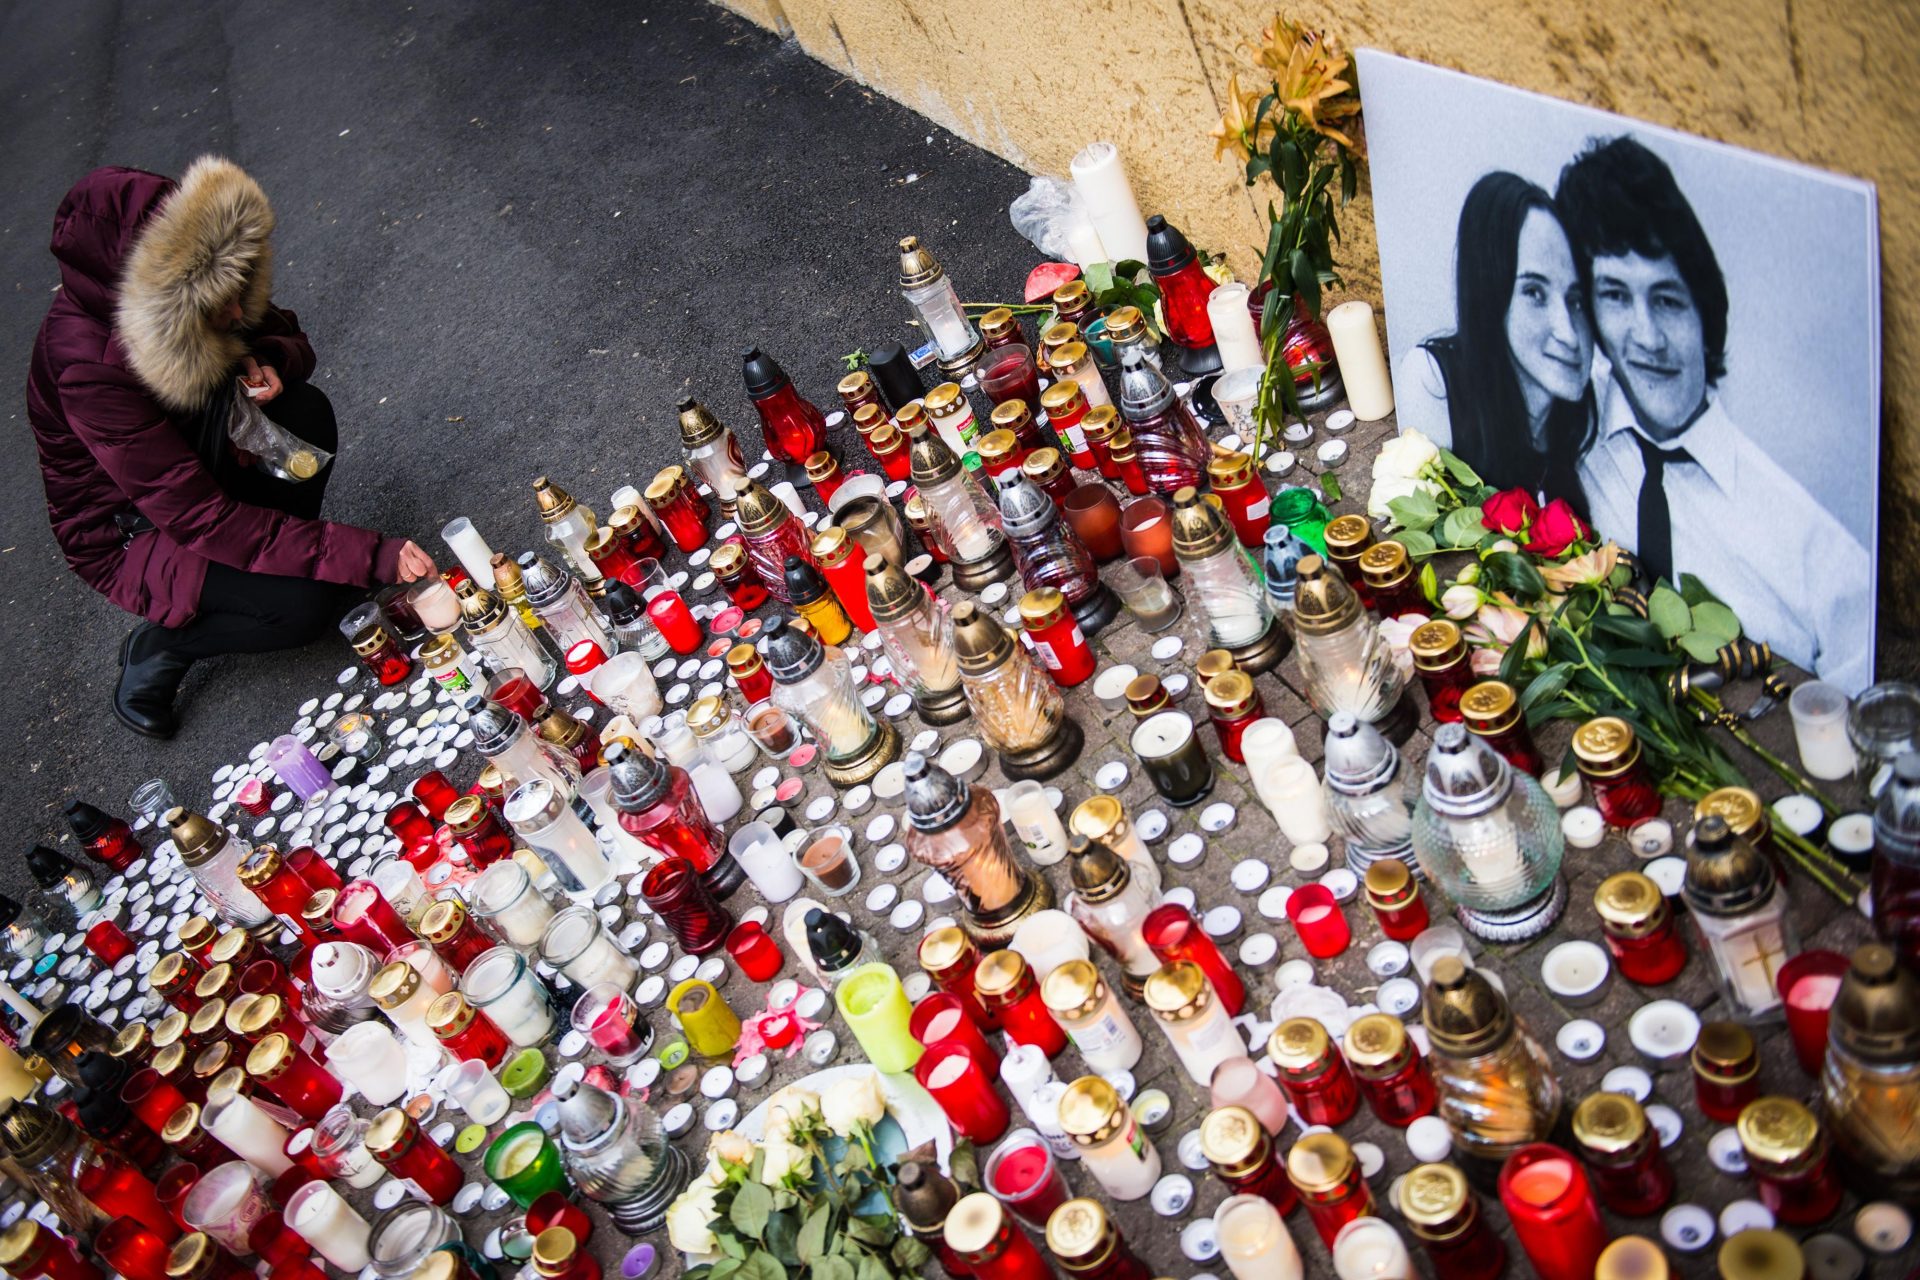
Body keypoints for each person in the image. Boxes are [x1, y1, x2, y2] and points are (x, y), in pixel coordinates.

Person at [26, 156, 436, 739]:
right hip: (133, 530)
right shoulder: (89, 370)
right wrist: (368, 553)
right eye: (218, 305)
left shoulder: (201, 273)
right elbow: (195, 516)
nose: (237, 312)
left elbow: (288, 334)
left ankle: (270, 569)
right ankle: (166, 641)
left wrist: (268, 357)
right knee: (305, 609)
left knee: (302, 413)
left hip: (200, 462)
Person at [1557, 135, 1871, 691]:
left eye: (1668, 299)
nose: (1647, 337)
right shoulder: (1567, 434)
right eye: (1615, 296)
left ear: (1706, 313)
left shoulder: (1820, 554)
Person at [1395, 171, 1595, 507]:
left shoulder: (1589, 422)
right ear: (1491, 293)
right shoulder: (1434, 381)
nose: (1569, 333)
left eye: (1575, 300)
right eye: (1534, 292)